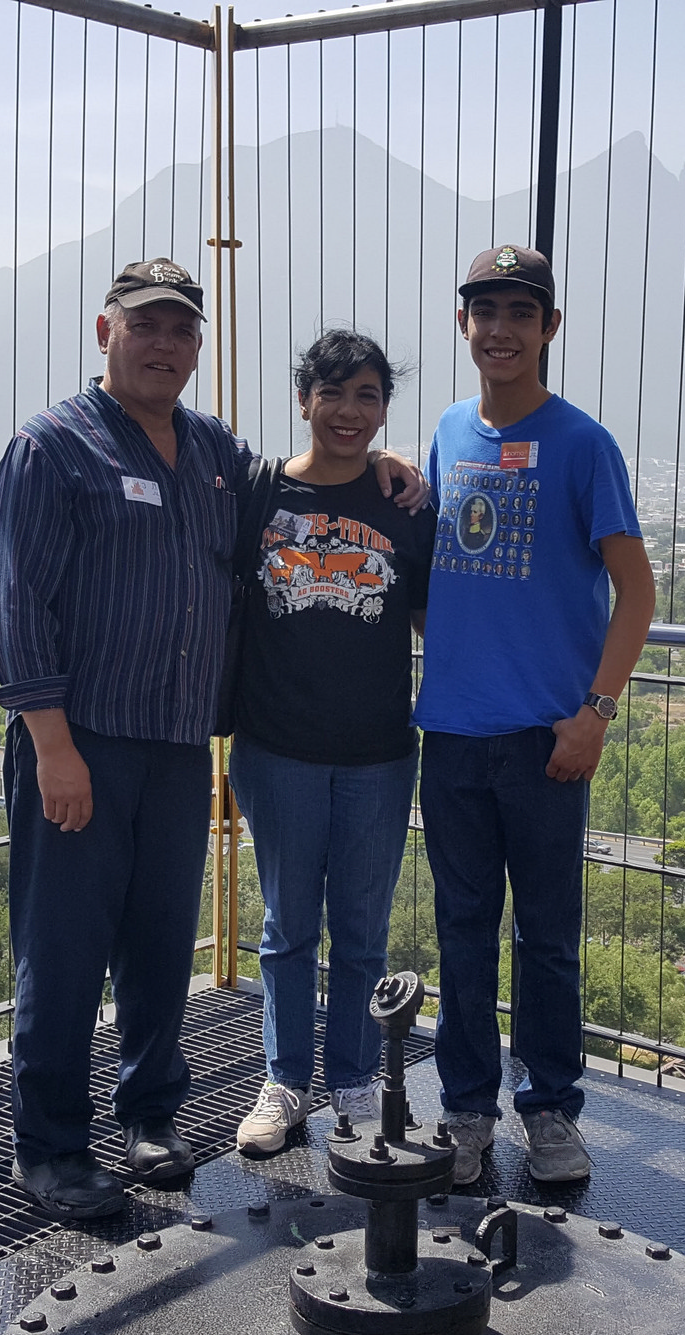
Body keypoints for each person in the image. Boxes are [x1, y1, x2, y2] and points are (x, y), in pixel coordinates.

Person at [0, 260, 425, 1220]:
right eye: (145, 324)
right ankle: (51, 1148)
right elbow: (16, 609)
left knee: (156, 946)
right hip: (83, 742)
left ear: (197, 347)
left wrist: (385, 467)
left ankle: (149, 1118)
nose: (164, 344)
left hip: (182, 745)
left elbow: (311, 477)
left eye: (182, 329)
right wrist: (51, 747)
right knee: (60, 952)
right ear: (105, 331)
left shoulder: (215, 452)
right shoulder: (52, 447)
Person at [414, 244, 655, 1186]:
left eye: (522, 312)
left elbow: (635, 592)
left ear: (549, 328)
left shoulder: (585, 444)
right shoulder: (444, 432)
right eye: (486, 311)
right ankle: (468, 1109)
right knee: (461, 934)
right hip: (454, 735)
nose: (501, 329)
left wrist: (595, 713)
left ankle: (550, 1109)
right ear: (464, 325)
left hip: (551, 739)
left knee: (547, 939)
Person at [228, 330, 437, 1157]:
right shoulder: (256, 495)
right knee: (286, 927)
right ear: (303, 397)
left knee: (360, 929)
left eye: (368, 397)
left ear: (384, 409)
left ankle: (352, 1076)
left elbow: (430, 616)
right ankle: (283, 1081)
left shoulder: (404, 506)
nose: (349, 412)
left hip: (379, 751)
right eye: (334, 394)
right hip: (275, 743)